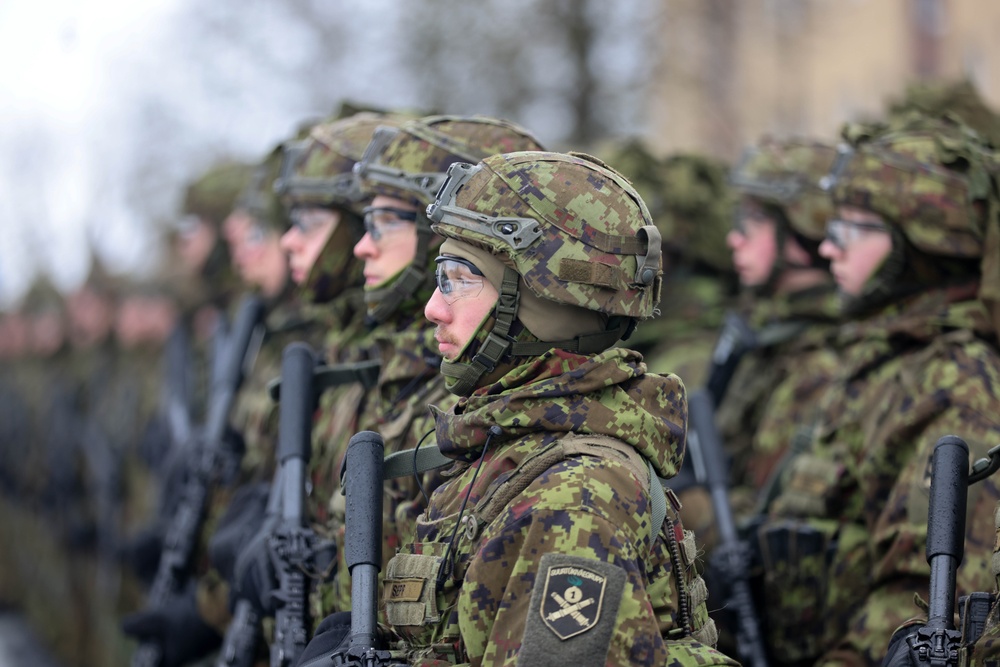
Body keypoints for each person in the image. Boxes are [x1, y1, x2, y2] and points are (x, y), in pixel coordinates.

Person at [299, 150, 736, 667]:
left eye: (459, 279)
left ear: (534, 304)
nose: (433, 308)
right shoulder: (511, 450)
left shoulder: (576, 499)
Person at [755, 113, 1000, 667]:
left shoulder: (954, 381)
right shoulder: (877, 361)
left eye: (851, 229)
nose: (827, 249)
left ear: (917, 244)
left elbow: (927, 601)